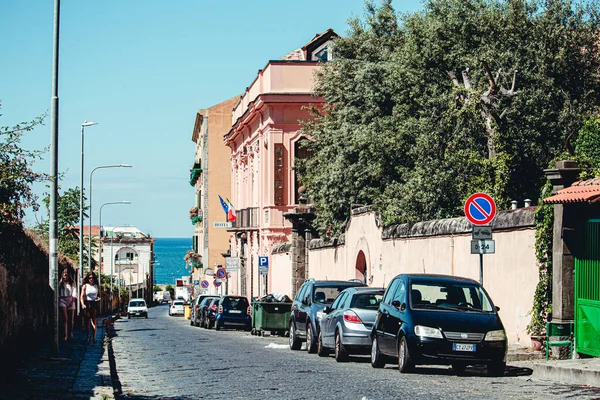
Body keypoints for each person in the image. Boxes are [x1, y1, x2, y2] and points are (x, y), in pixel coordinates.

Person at [80, 272, 100, 344]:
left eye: (92, 278)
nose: (91, 279)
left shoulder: (96, 286)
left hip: (94, 303)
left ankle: (94, 337)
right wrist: (82, 304)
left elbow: (99, 295)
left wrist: (98, 298)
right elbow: (81, 296)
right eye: (90, 278)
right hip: (87, 303)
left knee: (94, 321)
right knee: (87, 322)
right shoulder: (85, 286)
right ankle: (88, 336)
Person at [58, 269, 76, 341]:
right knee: (65, 319)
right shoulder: (60, 283)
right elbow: (58, 292)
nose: (65, 275)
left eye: (67, 274)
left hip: (70, 299)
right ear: (62, 275)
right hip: (62, 300)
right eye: (64, 274)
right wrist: (59, 299)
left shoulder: (72, 283)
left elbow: (74, 292)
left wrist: (72, 301)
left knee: (70, 320)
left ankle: (70, 333)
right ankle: (65, 335)